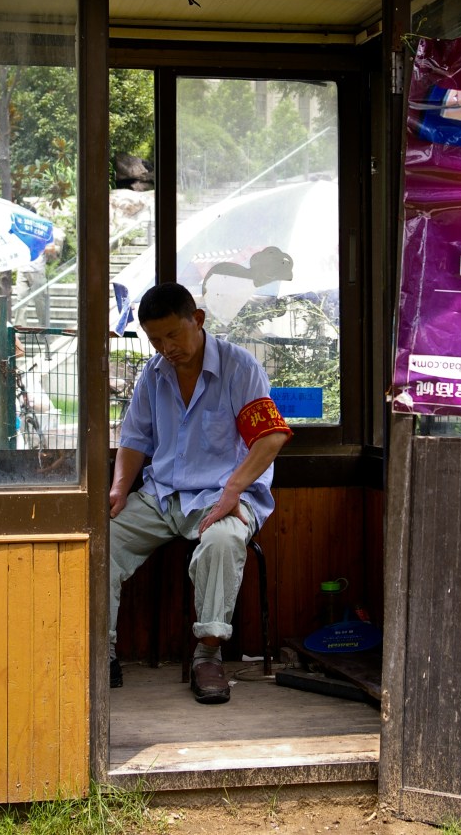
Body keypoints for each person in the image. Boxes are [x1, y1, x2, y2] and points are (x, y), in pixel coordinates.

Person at [109, 282, 292, 704]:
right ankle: (102, 651)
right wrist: (120, 489)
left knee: (224, 540)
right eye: (156, 339)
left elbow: (270, 438)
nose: (166, 347)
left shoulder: (239, 368)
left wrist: (234, 490)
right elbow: (135, 439)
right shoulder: (152, 375)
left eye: (173, 334)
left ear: (198, 320)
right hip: (162, 495)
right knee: (103, 539)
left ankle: (208, 655)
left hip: (220, 493)